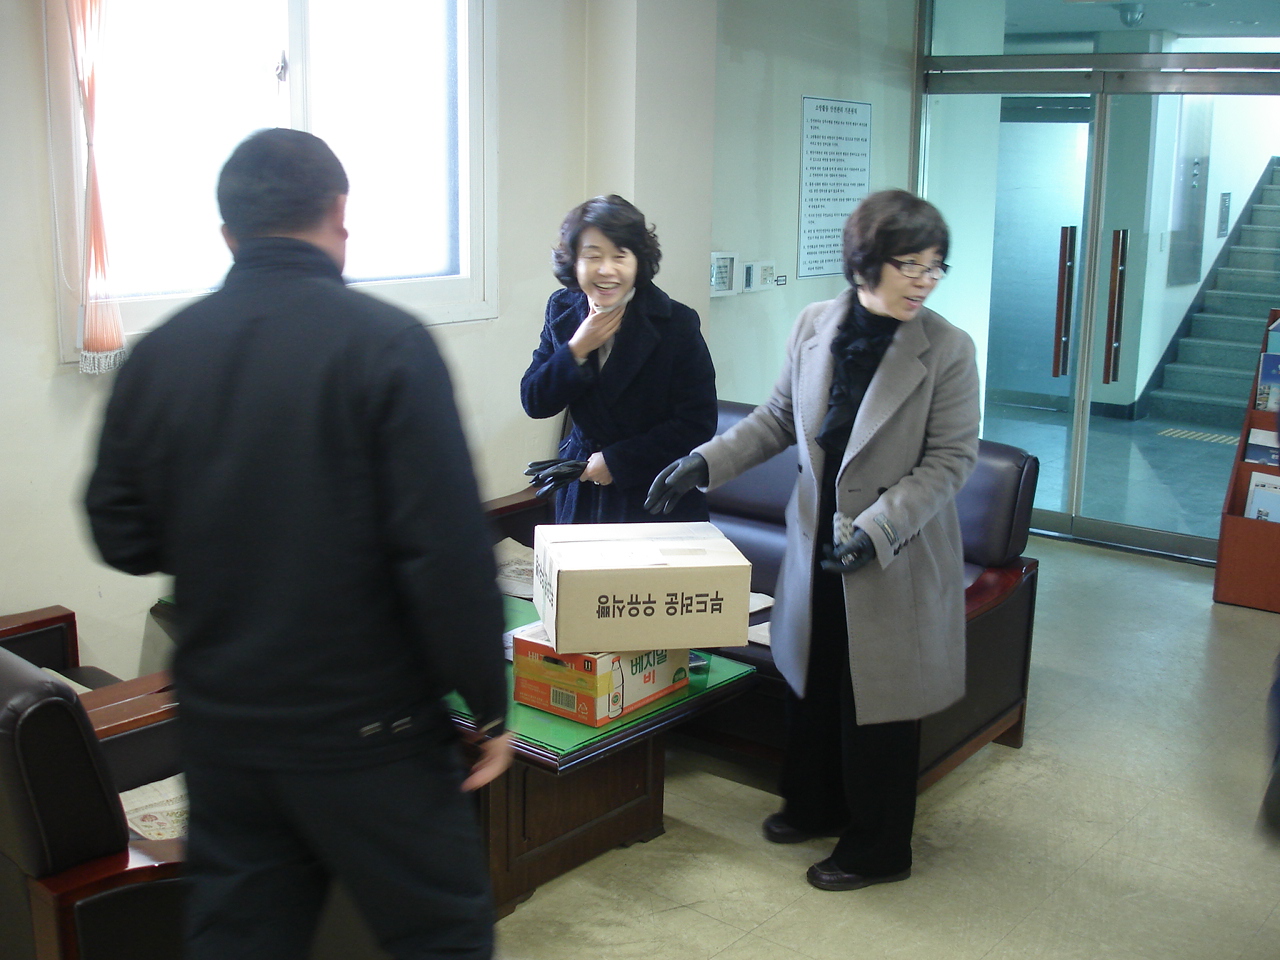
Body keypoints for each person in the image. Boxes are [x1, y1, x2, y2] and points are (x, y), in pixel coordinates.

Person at [84, 128, 512, 960]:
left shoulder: (160, 356)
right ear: (339, 215)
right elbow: (447, 555)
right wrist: (488, 707)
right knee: (442, 939)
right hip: (373, 735)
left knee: (242, 944)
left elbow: (120, 535)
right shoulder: (389, 344)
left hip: (225, 732)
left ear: (228, 233)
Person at [647, 189, 980, 891]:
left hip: (891, 549)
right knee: (816, 675)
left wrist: (879, 529)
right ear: (866, 262)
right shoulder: (814, 324)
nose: (925, 280)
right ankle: (814, 804)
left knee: (877, 700)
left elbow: (950, 462)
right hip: (814, 539)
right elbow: (776, 418)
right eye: (910, 264)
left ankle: (879, 849)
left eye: (935, 266)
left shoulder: (948, 348)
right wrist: (704, 462)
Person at [520, 195, 717, 523]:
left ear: (639, 262)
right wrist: (576, 349)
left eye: (620, 256)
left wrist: (617, 461)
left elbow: (698, 422)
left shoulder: (675, 322)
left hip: (652, 494)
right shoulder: (562, 309)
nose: (606, 269)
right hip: (582, 490)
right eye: (592, 256)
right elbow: (534, 400)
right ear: (574, 262)